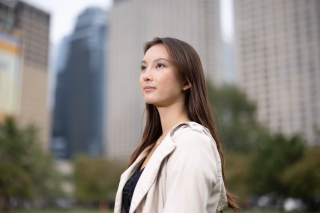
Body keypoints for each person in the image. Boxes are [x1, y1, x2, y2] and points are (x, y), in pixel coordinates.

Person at [114, 37, 241, 213]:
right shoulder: (152, 146)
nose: (146, 75)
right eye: (144, 67)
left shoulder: (193, 142)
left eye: (159, 65)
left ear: (186, 81)